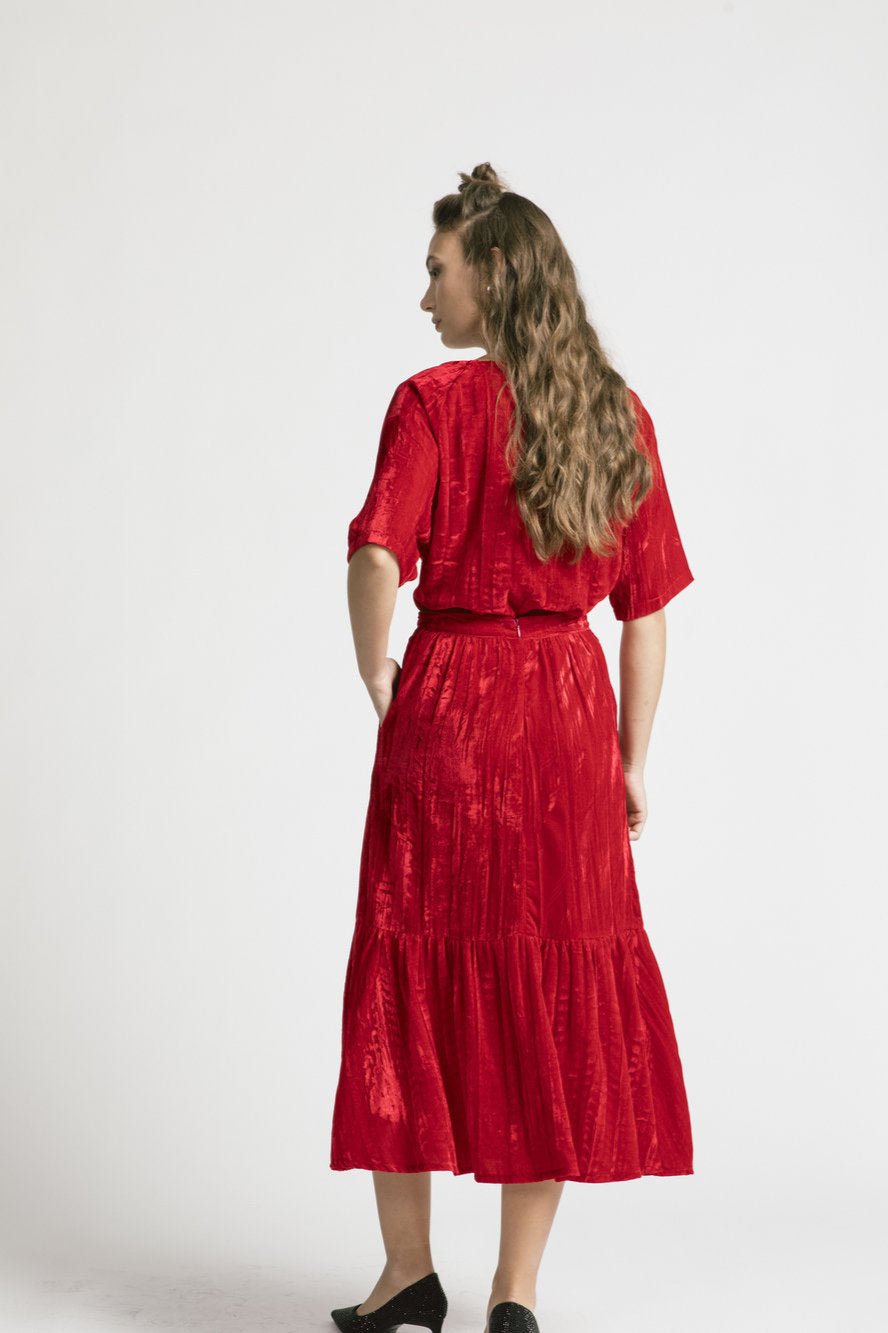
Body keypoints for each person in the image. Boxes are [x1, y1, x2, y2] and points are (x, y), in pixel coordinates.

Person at [329, 163, 695, 1333]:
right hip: (569, 713)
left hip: (451, 700)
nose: (424, 295)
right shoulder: (615, 412)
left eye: (437, 270)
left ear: (491, 272)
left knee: (412, 967)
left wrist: (374, 665)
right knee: (551, 978)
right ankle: (515, 1292)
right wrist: (632, 760)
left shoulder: (433, 403)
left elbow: (379, 554)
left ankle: (406, 1273)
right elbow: (646, 611)